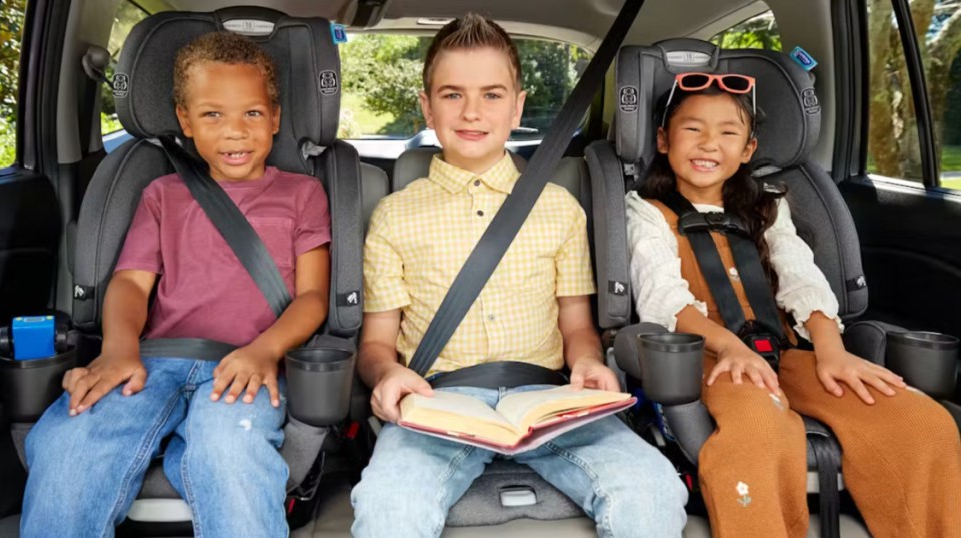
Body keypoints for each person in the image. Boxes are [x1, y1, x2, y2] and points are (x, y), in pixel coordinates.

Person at [350, 13, 688, 538]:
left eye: (491, 94)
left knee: (654, 489)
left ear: (518, 106)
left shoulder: (559, 209)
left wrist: (590, 363)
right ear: (426, 105)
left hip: (549, 399)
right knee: (386, 507)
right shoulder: (395, 214)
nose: (471, 112)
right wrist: (385, 374)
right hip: (440, 404)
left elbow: (576, 325)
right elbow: (376, 343)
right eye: (451, 94)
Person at [21, 31, 331, 537]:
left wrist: (265, 350)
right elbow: (129, 284)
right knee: (71, 442)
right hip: (152, 359)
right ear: (185, 121)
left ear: (275, 118)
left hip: (246, 363)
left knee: (229, 447)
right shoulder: (162, 194)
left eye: (252, 114)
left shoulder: (303, 194)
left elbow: (314, 297)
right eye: (212, 115)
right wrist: (119, 349)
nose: (235, 132)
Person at [626, 72, 961, 537]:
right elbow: (664, 298)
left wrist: (831, 350)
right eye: (692, 128)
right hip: (705, 361)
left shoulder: (768, 207)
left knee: (922, 423)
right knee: (760, 427)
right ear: (663, 139)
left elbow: (801, 277)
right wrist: (730, 349)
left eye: (728, 132)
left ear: (748, 149)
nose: (709, 144)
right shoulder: (646, 212)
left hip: (786, 353)